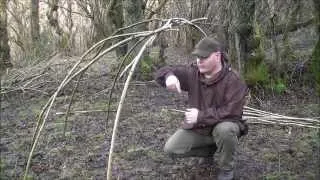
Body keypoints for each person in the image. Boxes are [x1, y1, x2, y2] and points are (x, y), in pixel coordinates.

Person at [155, 37, 248, 180]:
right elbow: (164, 70)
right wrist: (169, 77)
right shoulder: (193, 72)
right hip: (200, 128)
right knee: (171, 149)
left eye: (203, 57)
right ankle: (209, 150)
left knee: (225, 130)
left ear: (217, 56)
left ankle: (226, 169)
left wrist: (200, 116)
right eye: (197, 57)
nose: (199, 61)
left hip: (224, 124)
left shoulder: (233, 80)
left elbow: (232, 112)